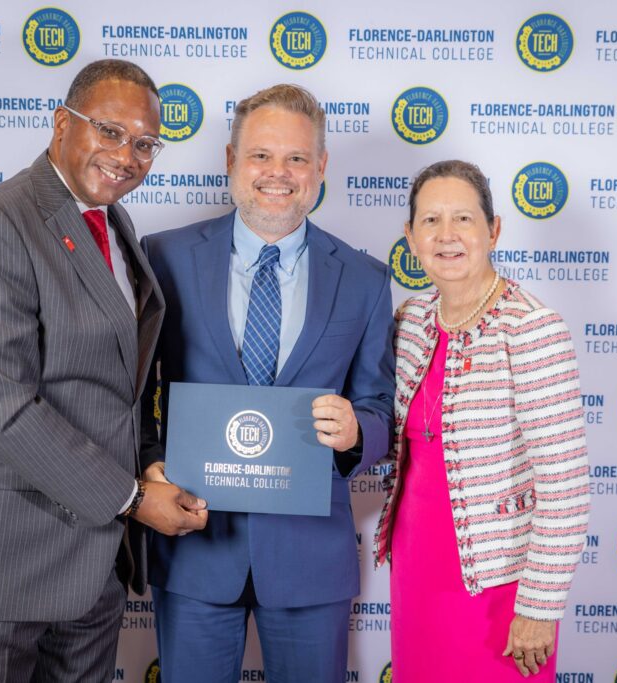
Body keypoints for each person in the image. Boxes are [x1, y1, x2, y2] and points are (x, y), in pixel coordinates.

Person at [0, 59, 207, 682]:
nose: (126, 155)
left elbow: (116, 380)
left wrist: (148, 459)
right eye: (110, 132)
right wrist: (132, 498)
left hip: (90, 567)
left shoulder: (114, 224)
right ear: (63, 124)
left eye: (144, 144)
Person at [139, 84, 394, 683]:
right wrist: (149, 462)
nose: (277, 173)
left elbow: (380, 405)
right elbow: (130, 393)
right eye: (260, 156)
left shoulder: (365, 279)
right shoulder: (163, 257)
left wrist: (358, 431)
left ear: (321, 168)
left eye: (297, 159)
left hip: (310, 557)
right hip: (194, 545)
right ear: (230, 161)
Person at [374, 160, 590, 681]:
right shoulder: (410, 318)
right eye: (430, 221)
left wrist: (539, 607)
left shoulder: (533, 329)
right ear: (410, 235)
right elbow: (401, 437)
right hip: (416, 560)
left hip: (499, 579)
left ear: (493, 230)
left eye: (464, 219)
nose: (446, 236)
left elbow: (565, 487)